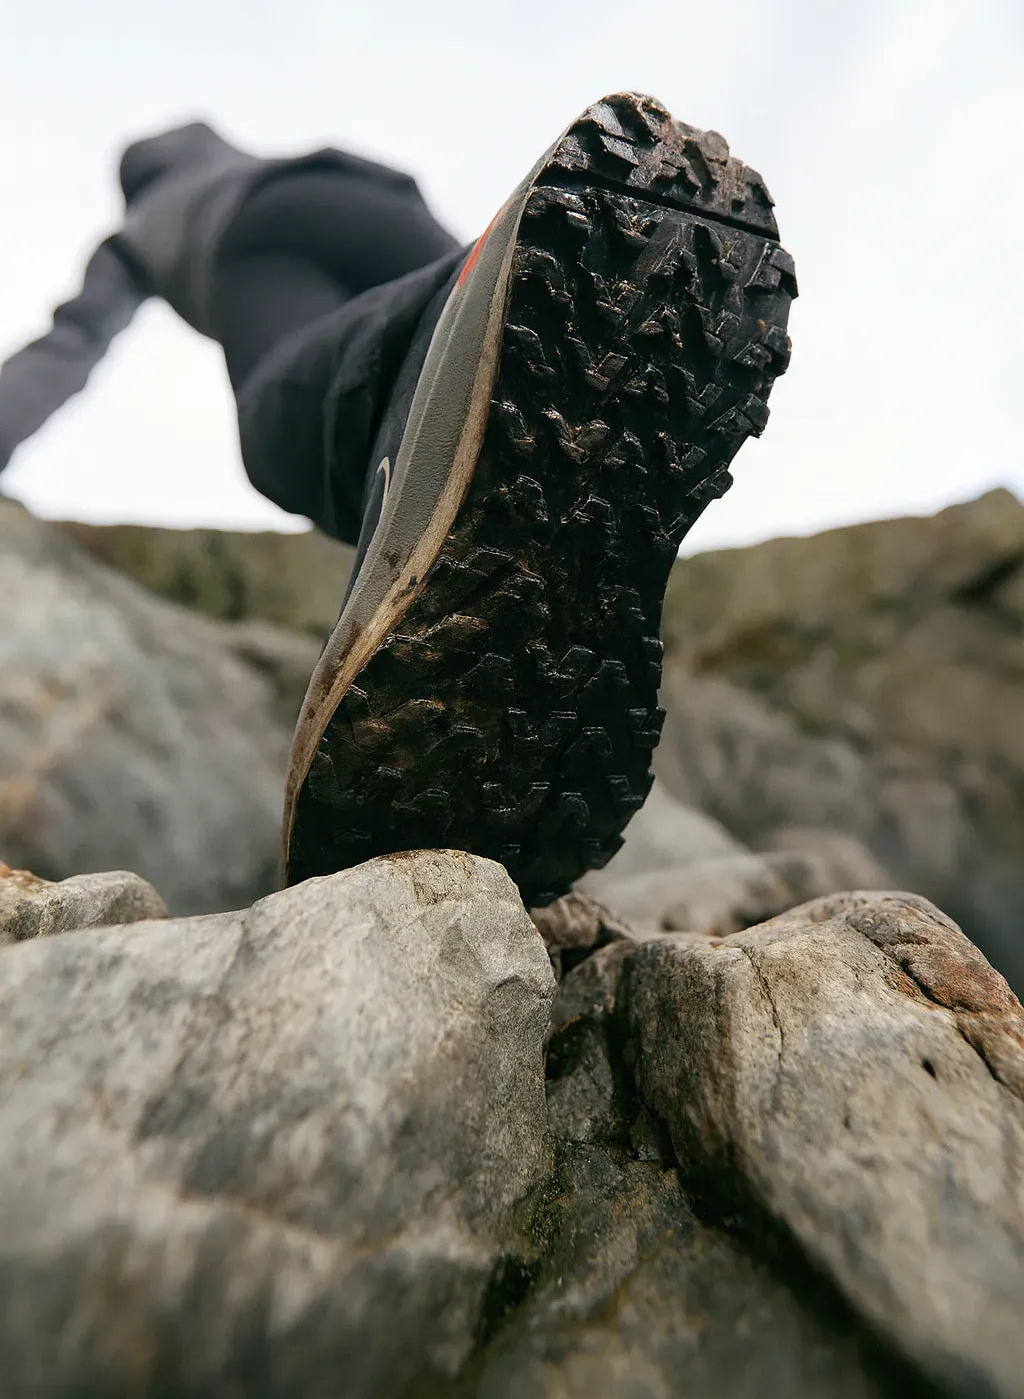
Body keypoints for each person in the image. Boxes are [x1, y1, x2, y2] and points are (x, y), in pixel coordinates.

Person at [0, 94, 797, 903]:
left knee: (284, 425)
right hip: (373, 198)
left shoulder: (150, 225)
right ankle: (573, 271)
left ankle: (412, 507)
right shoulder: (256, 157)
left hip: (254, 238)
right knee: (489, 313)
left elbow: (70, 342)